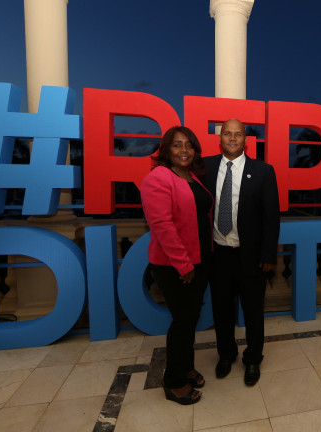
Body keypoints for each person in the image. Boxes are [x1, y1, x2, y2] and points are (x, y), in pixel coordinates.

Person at [203, 118, 280, 386]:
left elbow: (271, 217)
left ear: (246, 139)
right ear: (220, 138)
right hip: (218, 255)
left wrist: (268, 255)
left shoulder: (263, 171)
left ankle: (253, 358)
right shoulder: (205, 167)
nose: (233, 138)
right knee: (221, 310)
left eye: (238, 134)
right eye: (228, 133)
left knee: (253, 312)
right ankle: (226, 355)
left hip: (251, 256)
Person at [141, 126, 212, 405]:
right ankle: (173, 381)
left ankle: (186, 367)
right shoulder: (159, 177)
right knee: (183, 321)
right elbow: (162, 226)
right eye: (177, 144)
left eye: (189, 145)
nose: (184, 150)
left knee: (190, 318)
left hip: (199, 260)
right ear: (166, 150)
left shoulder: (191, 176)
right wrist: (184, 265)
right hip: (176, 265)